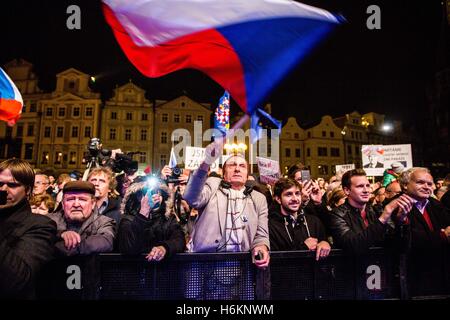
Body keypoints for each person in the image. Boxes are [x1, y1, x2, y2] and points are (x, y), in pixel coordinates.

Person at [183, 138, 270, 269]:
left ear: (247, 175)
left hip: (242, 266)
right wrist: (206, 163)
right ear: (224, 174)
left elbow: (261, 234)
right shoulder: (213, 185)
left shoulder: (258, 198)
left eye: (242, 166)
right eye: (232, 165)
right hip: (206, 264)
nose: (237, 169)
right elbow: (191, 198)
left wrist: (261, 246)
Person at [0, 159, 57, 298]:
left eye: (12, 185)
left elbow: (17, 281)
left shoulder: (41, 225)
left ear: (28, 190)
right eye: (0, 183)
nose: (3, 189)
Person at [327, 169, 413, 254]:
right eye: (360, 186)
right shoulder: (337, 214)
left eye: (368, 185)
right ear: (347, 190)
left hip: (381, 266)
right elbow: (353, 245)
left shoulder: (378, 210)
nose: (366, 190)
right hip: (354, 266)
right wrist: (382, 219)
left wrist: (402, 222)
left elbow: (401, 247)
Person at [399, 167, 450, 295]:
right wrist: (442, 235)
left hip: (441, 273)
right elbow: (411, 238)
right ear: (405, 185)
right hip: (414, 275)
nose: (426, 186)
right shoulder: (396, 205)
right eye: (420, 182)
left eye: (429, 183)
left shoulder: (435, 204)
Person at [117, 178, 186, 261]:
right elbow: (130, 248)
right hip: (135, 270)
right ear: (137, 197)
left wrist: (164, 248)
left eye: (157, 192)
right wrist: (143, 213)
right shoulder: (127, 220)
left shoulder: (168, 219)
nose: (154, 196)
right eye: (147, 192)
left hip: (163, 271)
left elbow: (180, 240)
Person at [48, 181, 116, 256]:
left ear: (93, 204)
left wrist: (65, 247)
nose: (76, 204)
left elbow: (105, 242)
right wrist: (61, 233)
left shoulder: (104, 222)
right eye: (70, 199)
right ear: (63, 204)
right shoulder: (49, 220)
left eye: (82, 199)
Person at [269, 178, 331, 260]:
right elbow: (276, 261)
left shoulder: (314, 221)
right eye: (288, 194)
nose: (295, 199)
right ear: (278, 199)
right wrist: (304, 247)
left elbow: (325, 241)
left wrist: (325, 243)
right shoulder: (271, 226)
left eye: (297, 194)